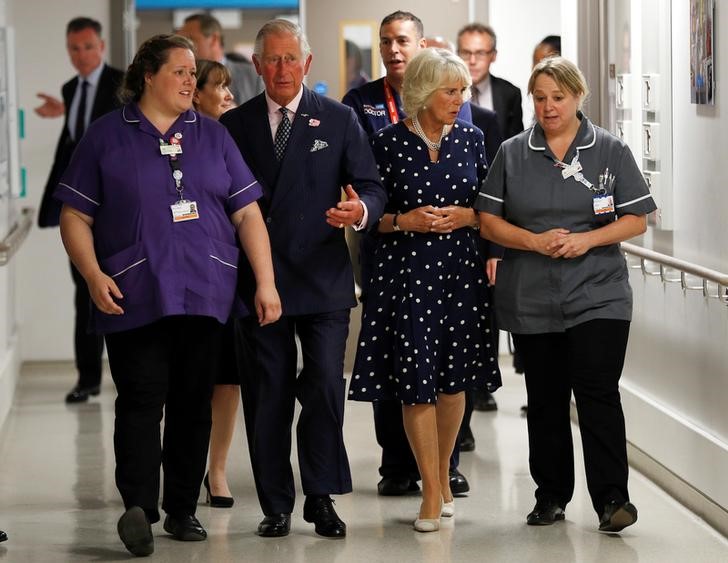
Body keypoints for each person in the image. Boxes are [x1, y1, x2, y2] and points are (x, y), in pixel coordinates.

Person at [55, 34, 281, 556]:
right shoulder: (107, 137)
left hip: (205, 289)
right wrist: (92, 275)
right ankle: (138, 506)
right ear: (148, 76)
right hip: (133, 291)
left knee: (190, 403)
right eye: (179, 71)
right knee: (139, 398)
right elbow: (75, 215)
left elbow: (247, 213)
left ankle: (181, 510)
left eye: (191, 73)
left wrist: (265, 282)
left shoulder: (214, 136)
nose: (189, 81)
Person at [221, 19, 386, 539]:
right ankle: (276, 503)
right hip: (259, 281)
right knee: (267, 392)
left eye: (291, 58)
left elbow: (371, 187)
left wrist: (359, 211)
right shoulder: (235, 126)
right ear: (257, 65)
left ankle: (321, 495)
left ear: (308, 64)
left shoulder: (337, 119)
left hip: (322, 278)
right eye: (272, 59)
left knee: (322, 387)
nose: (282, 69)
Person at [476, 56, 655, 532]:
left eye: (558, 97)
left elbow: (637, 217)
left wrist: (587, 239)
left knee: (597, 393)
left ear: (578, 96)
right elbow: (488, 219)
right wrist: (532, 241)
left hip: (599, 292)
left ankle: (612, 500)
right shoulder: (513, 152)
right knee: (547, 397)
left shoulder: (610, 150)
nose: (548, 106)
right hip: (532, 295)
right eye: (540, 98)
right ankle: (551, 495)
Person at [349, 47, 502, 532]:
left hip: (460, 272)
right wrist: (403, 220)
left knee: (454, 382)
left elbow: (491, 206)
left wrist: (470, 216)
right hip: (406, 273)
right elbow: (370, 220)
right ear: (422, 91)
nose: (460, 98)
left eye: (463, 90)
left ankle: (441, 473)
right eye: (450, 90)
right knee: (415, 384)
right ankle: (431, 492)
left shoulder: (474, 139)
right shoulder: (387, 143)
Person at [35, 17, 124, 404]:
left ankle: (129, 374)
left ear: (102, 47)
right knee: (84, 291)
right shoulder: (71, 88)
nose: (82, 55)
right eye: (74, 48)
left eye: (88, 47)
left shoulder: (122, 83)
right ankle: (87, 378)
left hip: (116, 206)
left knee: (123, 289)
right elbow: (75, 142)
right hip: (80, 208)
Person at [190, 59, 239, 508]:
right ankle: (182, 467)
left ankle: (217, 469)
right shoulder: (176, 140)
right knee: (186, 379)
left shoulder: (234, 136)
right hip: (188, 273)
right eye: (218, 87)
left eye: (228, 87)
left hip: (230, 274)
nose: (226, 95)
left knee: (227, 380)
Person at [457, 23, 523, 140]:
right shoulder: (445, 91)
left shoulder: (510, 93)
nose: (472, 61)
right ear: (457, 54)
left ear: (493, 55)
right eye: (466, 53)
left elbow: (516, 144)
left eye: (480, 53)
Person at [179, 13, 262, 105]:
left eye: (190, 40)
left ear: (214, 39)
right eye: (182, 41)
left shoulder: (253, 75)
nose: (185, 46)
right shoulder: (183, 80)